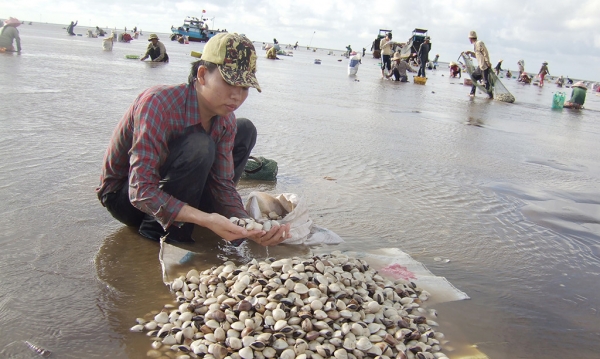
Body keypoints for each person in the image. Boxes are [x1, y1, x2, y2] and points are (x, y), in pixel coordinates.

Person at [97, 32, 290, 246]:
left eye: (244, 87)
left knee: (245, 128)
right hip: (127, 199)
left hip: (183, 191)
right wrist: (205, 219)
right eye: (229, 82)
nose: (237, 95)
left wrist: (247, 225)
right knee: (200, 145)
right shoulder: (157, 104)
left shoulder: (226, 120)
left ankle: (201, 219)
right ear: (202, 74)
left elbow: (223, 184)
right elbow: (140, 189)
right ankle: (159, 233)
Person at [463, 30, 493, 99]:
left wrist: (488, 62)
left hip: (484, 66)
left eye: (469, 39)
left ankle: (490, 96)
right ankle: (472, 93)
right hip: (480, 66)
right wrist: (470, 53)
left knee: (486, 82)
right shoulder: (475, 45)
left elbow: (485, 53)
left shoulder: (479, 43)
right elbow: (478, 55)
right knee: (473, 77)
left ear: (471, 38)